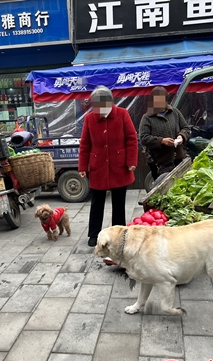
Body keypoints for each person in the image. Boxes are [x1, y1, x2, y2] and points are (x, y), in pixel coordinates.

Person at [78, 85, 138, 247]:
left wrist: (131, 161)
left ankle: (118, 234)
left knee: (119, 204)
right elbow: (85, 144)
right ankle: (94, 234)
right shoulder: (89, 118)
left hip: (119, 166)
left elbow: (131, 139)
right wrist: (83, 167)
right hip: (98, 167)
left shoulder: (122, 114)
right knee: (96, 203)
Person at [139, 86, 192, 177]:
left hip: (178, 159)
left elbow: (186, 128)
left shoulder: (175, 112)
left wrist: (181, 136)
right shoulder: (147, 117)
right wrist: (162, 141)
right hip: (159, 162)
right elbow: (143, 138)